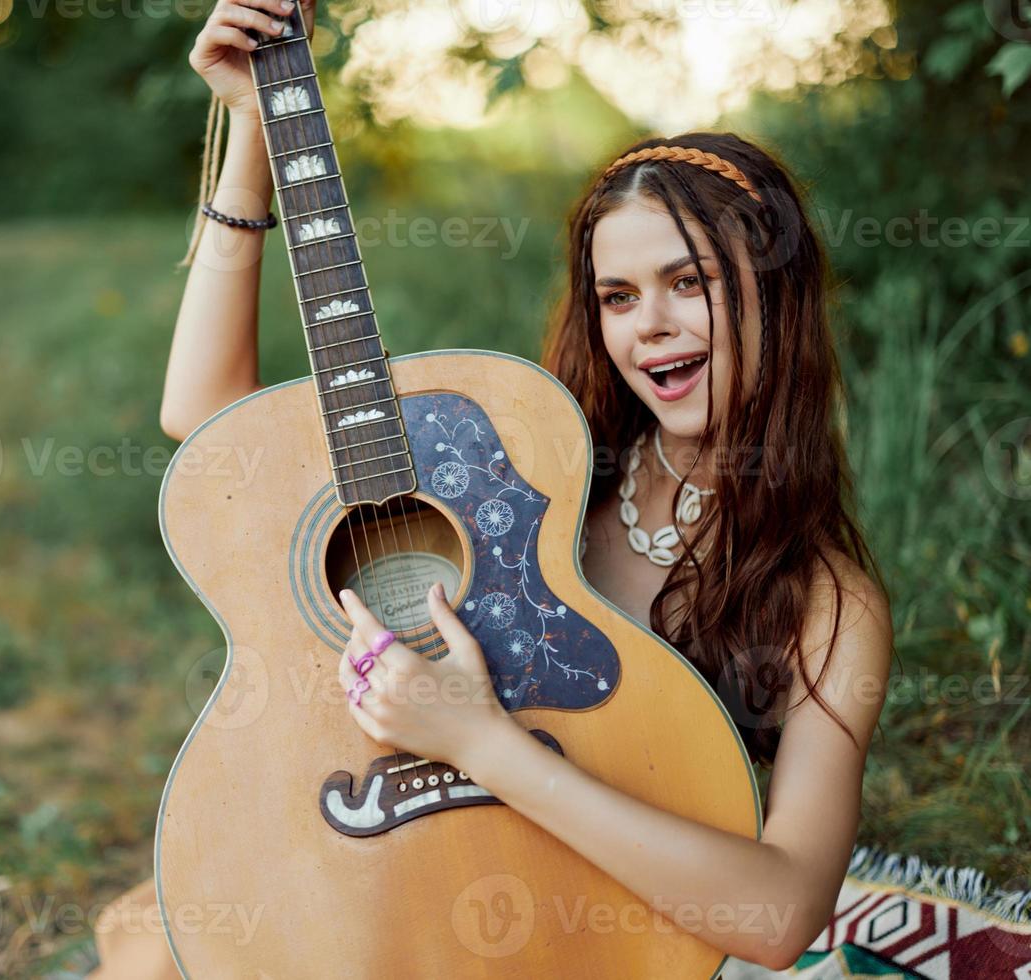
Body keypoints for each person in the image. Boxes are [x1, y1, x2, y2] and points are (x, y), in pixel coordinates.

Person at [87, 0, 894, 973]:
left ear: (776, 291)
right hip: (412, 860)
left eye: (691, 282)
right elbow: (212, 424)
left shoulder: (826, 600)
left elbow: (778, 915)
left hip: (602, 938)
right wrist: (255, 126)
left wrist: (480, 740)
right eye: (619, 297)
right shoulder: (536, 472)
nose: (653, 327)